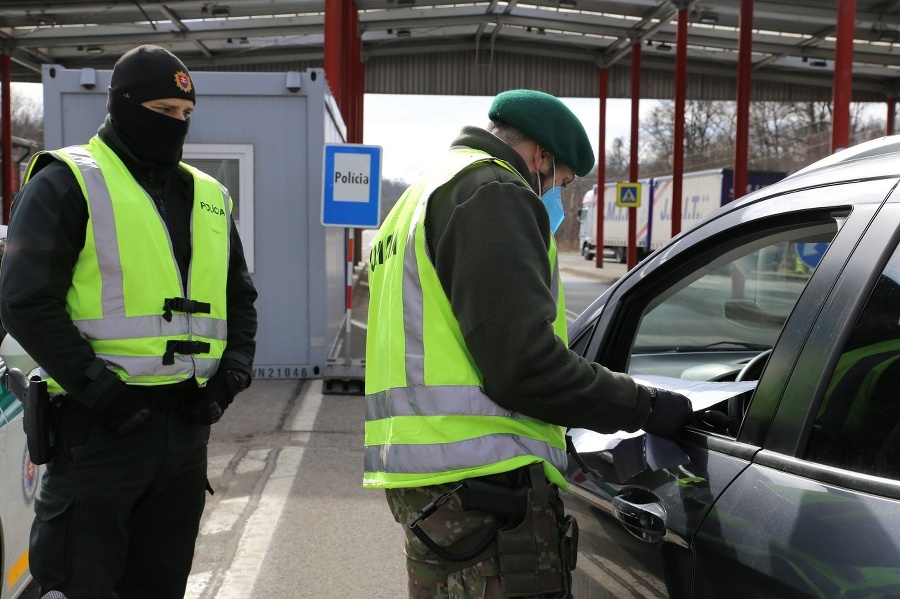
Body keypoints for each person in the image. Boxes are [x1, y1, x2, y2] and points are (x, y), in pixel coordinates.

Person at [364, 89, 694, 598]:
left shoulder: (419, 195)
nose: (558, 196)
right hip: (485, 489)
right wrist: (647, 407)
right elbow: (527, 366)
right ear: (541, 156)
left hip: (433, 488)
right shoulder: (491, 191)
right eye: (561, 182)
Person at [0, 45, 258, 598]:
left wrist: (231, 376)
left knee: (160, 586)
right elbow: (24, 301)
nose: (176, 125)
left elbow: (240, 300)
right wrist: (102, 392)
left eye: (185, 115)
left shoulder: (209, 196)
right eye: (164, 112)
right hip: (100, 432)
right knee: (80, 584)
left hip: (185, 431)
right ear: (122, 105)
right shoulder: (68, 180)